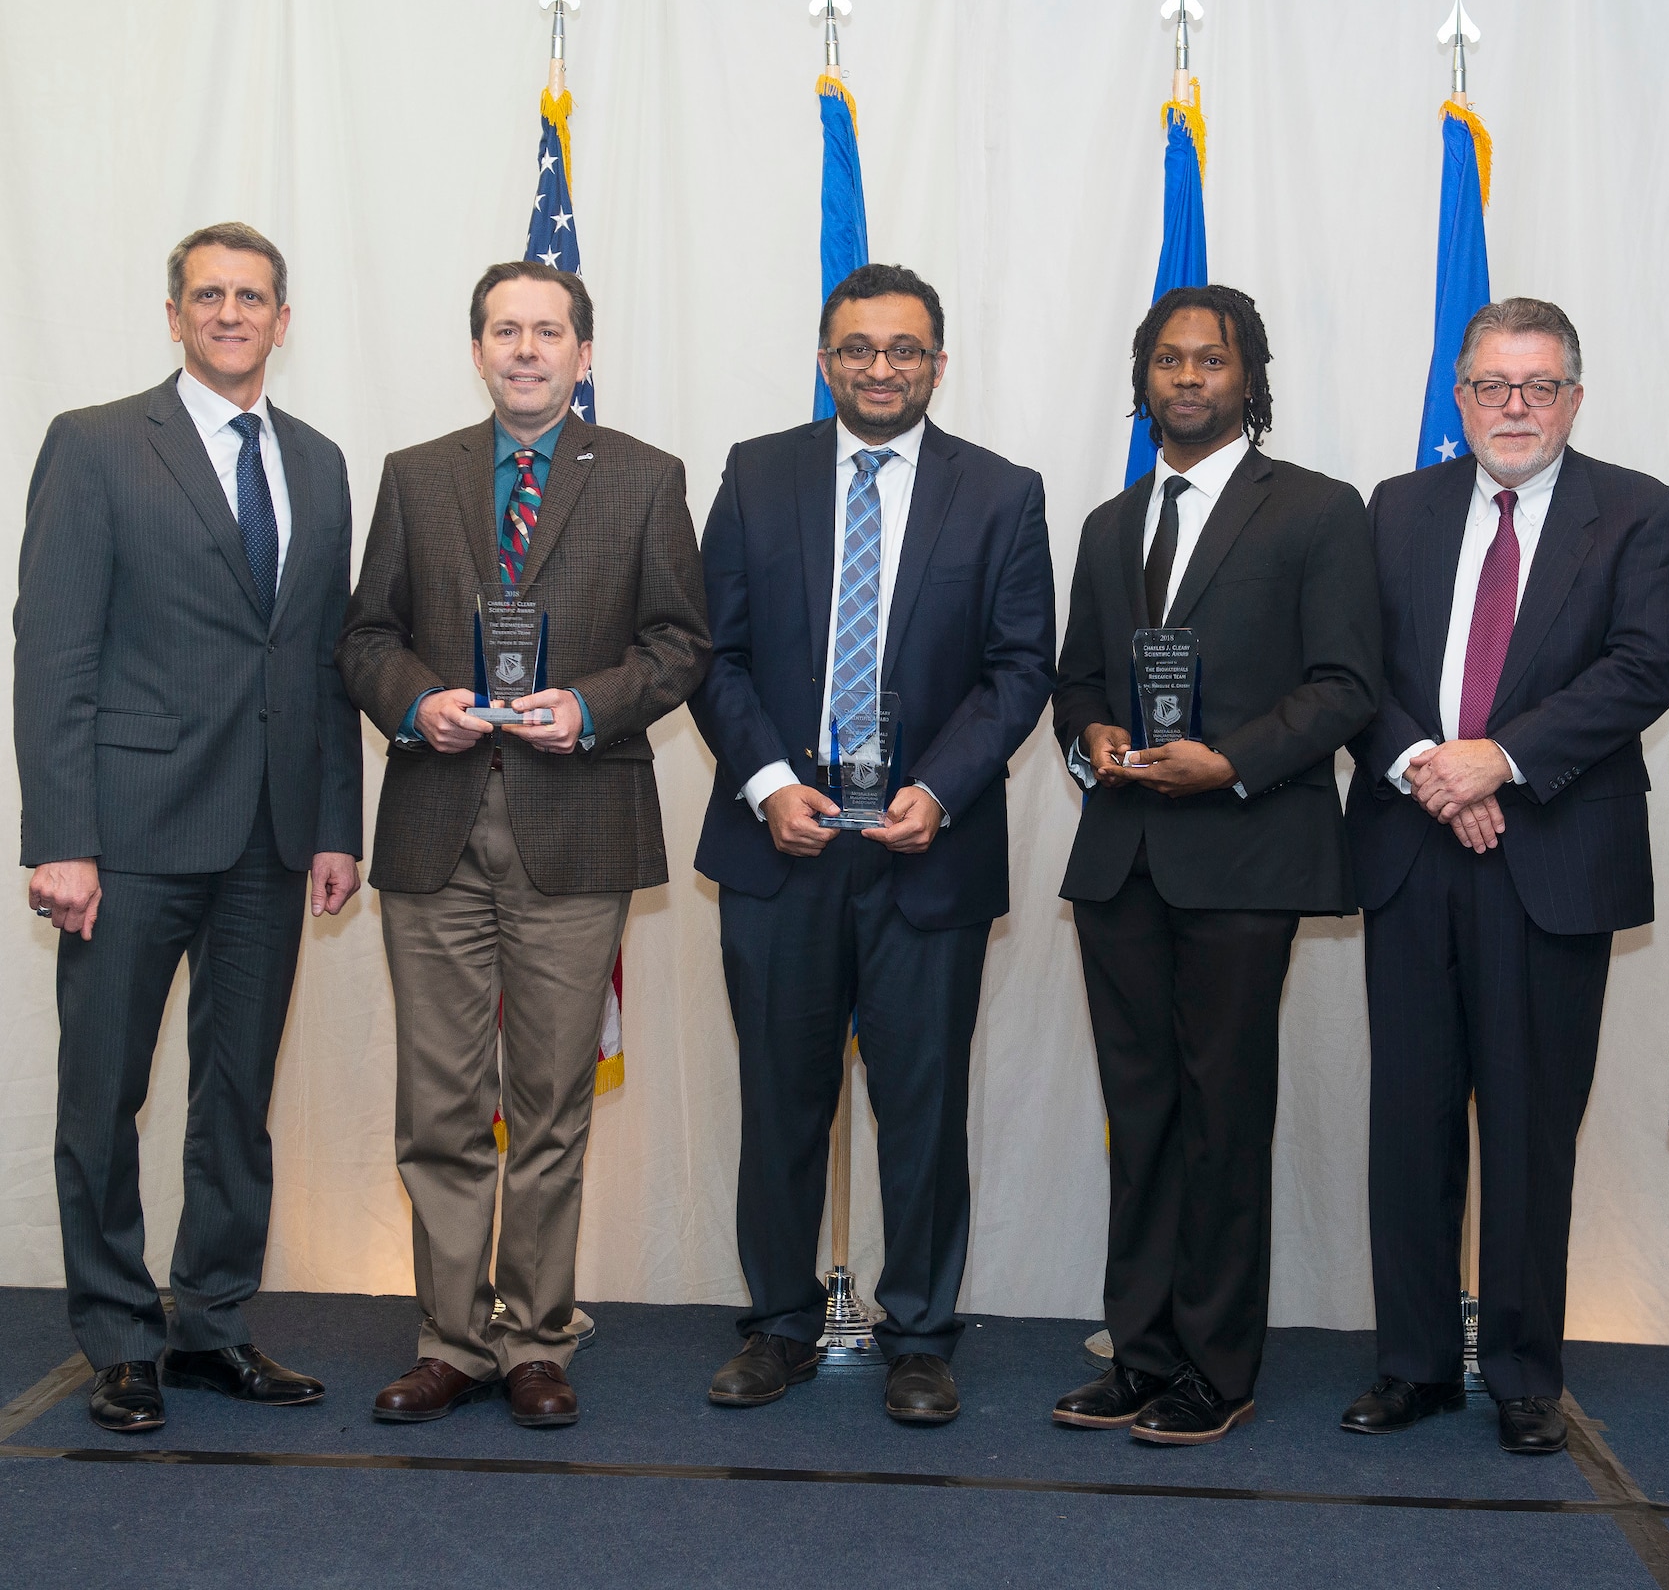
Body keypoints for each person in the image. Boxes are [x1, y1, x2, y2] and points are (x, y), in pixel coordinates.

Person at [337, 262, 709, 1429]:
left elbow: (681, 643)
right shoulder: (415, 475)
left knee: (548, 1106)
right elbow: (364, 636)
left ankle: (537, 1339)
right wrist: (414, 701)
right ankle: (451, 1342)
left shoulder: (647, 480)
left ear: (582, 353)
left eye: (548, 331)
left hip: (575, 819)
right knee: (440, 1109)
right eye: (505, 330)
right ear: (479, 349)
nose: (526, 349)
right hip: (434, 822)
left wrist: (589, 703)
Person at [689, 263, 1055, 1426]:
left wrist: (940, 790)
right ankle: (778, 1325)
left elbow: (1018, 668)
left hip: (923, 853)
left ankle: (921, 1336)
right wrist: (763, 784)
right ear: (824, 356)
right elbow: (713, 653)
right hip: (780, 848)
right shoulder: (756, 474)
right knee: (780, 1102)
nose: (880, 367)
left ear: (938, 364)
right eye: (857, 348)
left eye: (904, 349)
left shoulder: (999, 493)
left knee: (923, 1106)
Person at [15, 222, 363, 1433]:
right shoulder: (98, 444)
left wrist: (335, 824)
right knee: (101, 1097)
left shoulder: (318, 462)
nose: (230, 312)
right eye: (207, 295)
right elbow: (51, 650)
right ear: (173, 315)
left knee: (234, 1099)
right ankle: (118, 1338)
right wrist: (59, 835)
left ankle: (212, 1320)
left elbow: (322, 660)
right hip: (127, 837)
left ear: (283, 317)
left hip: (272, 842)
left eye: (251, 296)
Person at [1342, 297, 1669, 1455]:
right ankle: (1413, 1365)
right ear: (1459, 396)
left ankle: (1525, 1372)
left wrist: (1496, 760)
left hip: (1551, 855)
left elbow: (1641, 669)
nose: (1514, 407)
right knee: (1411, 1122)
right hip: (1409, 846)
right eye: (1492, 385)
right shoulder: (1396, 508)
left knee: (1532, 1128)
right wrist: (1422, 766)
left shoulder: (1636, 511)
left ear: (1573, 400)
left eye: (1538, 387)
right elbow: (1353, 666)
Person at [1049, 286, 1381, 1445]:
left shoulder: (1317, 511)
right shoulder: (1105, 523)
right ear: (1142, 378)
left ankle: (1217, 1367)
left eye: (1210, 362)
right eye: (1168, 361)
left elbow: (1344, 684)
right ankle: (1139, 1356)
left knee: (1221, 1118)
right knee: (1136, 1117)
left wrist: (1228, 761)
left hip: (1244, 856)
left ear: (1248, 378)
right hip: (1122, 861)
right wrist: (1087, 734)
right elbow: (1076, 676)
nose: (1188, 379)